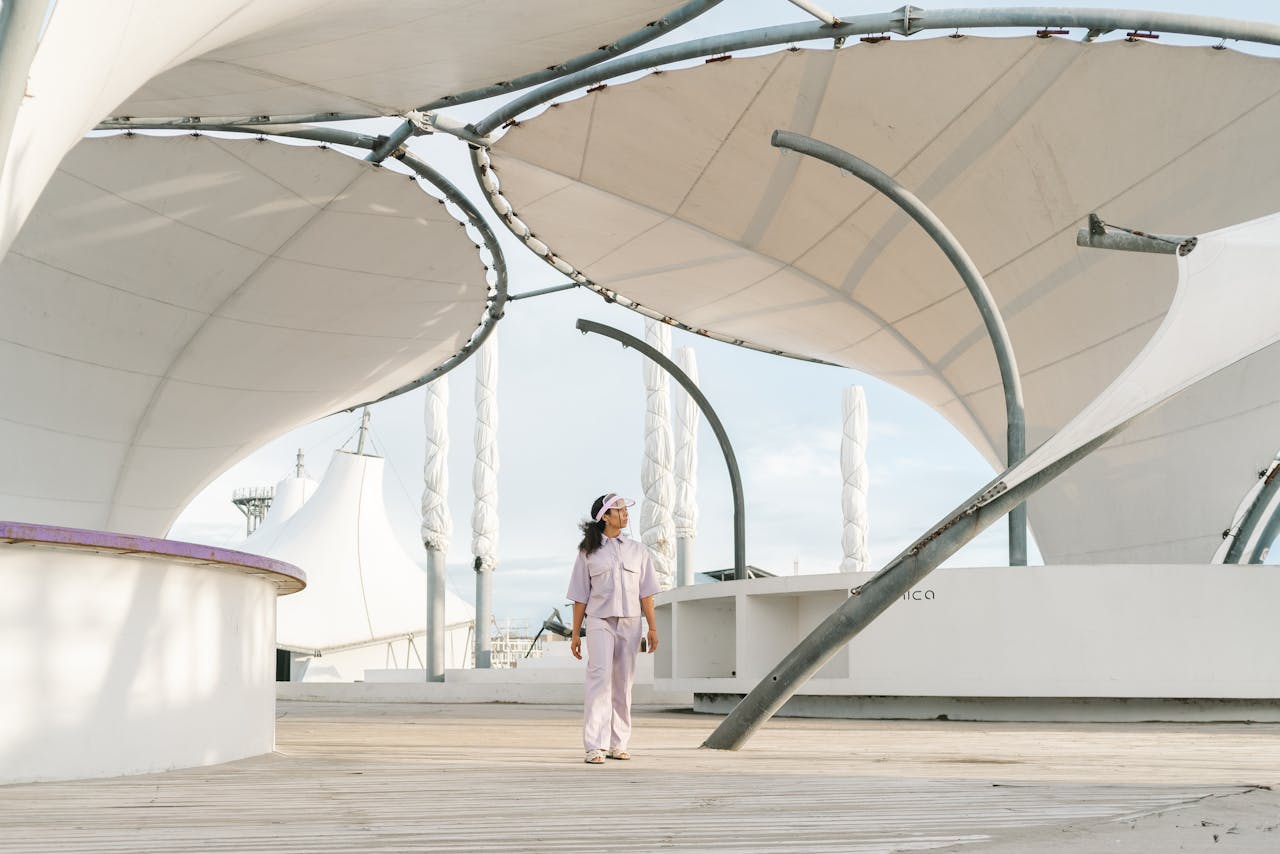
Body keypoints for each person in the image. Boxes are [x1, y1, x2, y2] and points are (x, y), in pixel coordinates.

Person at [565, 492, 660, 765]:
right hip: (599, 622)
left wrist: (652, 628)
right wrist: (575, 634)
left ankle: (619, 743)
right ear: (604, 516)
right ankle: (595, 745)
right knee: (599, 679)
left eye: (624, 509)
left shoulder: (638, 551)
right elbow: (580, 596)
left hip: (631, 622)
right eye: (618, 509)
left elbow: (647, 594)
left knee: (623, 684)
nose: (625, 513)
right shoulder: (588, 552)